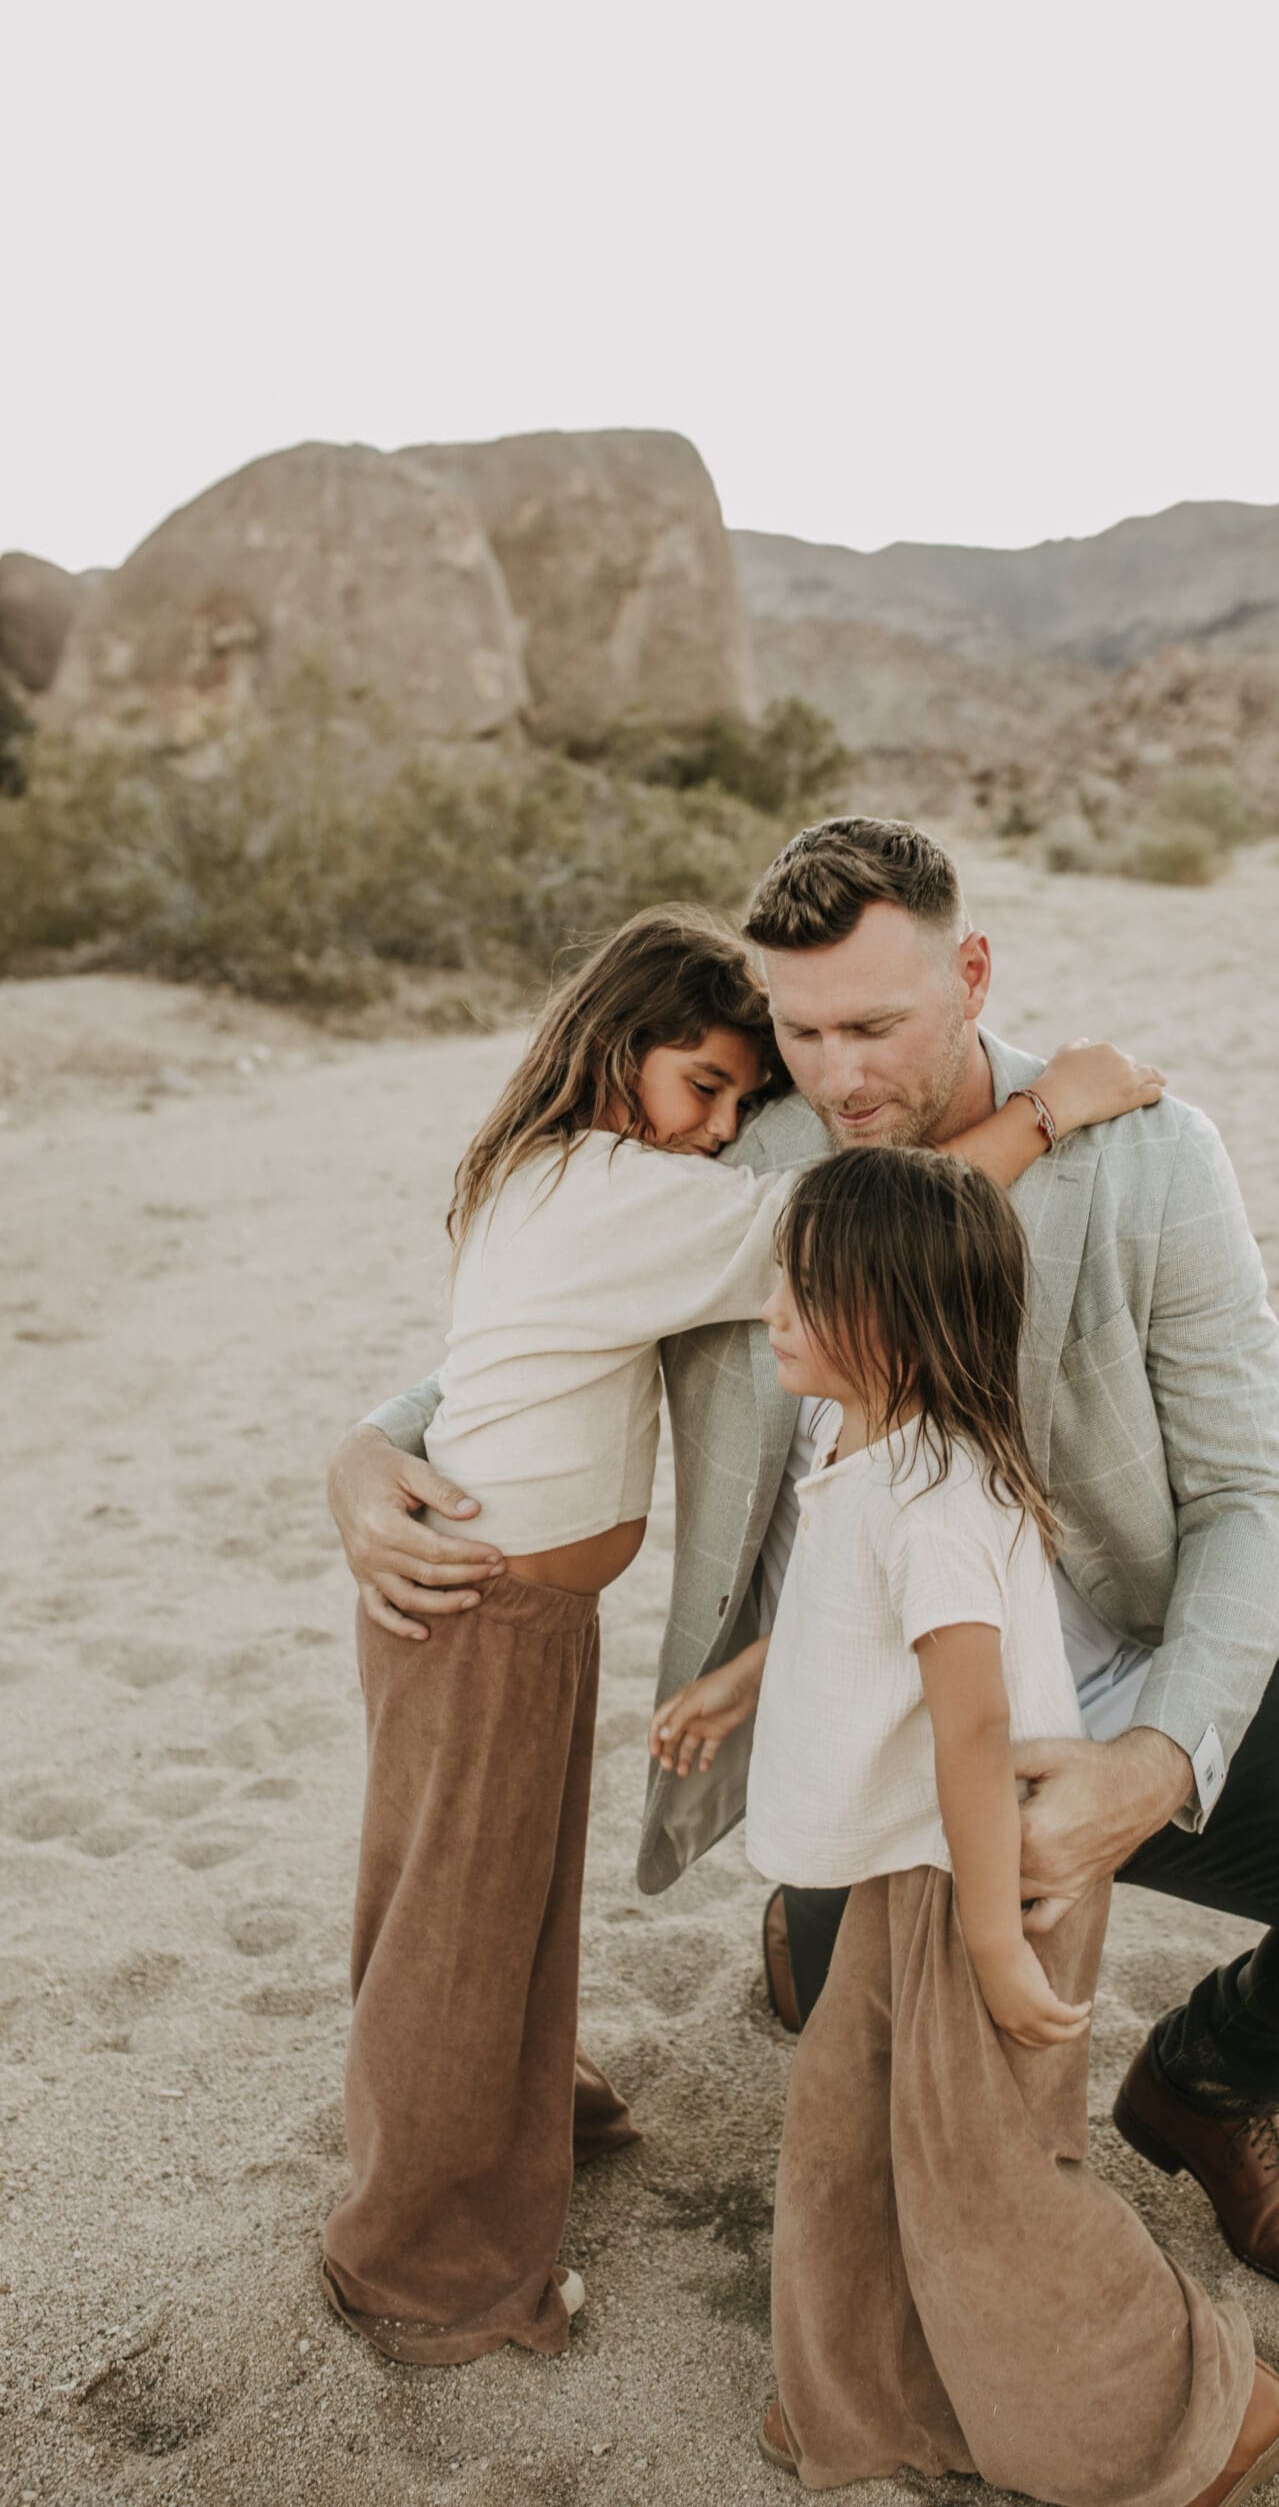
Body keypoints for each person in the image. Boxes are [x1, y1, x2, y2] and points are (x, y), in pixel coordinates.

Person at [330, 816, 1279, 2319]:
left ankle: (1205, 2089)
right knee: (892, 2113)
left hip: (1119, 1665)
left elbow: (1249, 1490)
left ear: (970, 973)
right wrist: (374, 1442)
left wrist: (1161, 1755)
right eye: (801, 1031)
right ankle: (807, 1926)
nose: (840, 1077)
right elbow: (542, 1305)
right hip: (876, 1723)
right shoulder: (751, 1147)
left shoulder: (1153, 1155)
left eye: (877, 1027)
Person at [319, 899, 1160, 2364]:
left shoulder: (555, 1171)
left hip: (508, 1600)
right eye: (701, 1086)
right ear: (610, 1046)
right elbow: (860, 1246)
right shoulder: (606, 1189)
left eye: (732, 1098)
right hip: (488, 1604)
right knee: (458, 1919)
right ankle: (425, 2270)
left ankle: (508, 2104)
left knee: (484, 1892)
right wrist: (1051, 1105)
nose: (714, 1127)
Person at [647, 1145, 1279, 2503]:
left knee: (984, 2180)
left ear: (897, 1317)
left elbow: (974, 1732)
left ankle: (1189, 2410)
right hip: (909, 1870)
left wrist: (1000, 1941)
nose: (773, 1307)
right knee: (848, 2131)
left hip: (972, 1878)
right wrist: (743, 1675)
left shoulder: (943, 1502)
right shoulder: (863, 1445)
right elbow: (847, 1615)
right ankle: (878, 2396)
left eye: (807, 1288)